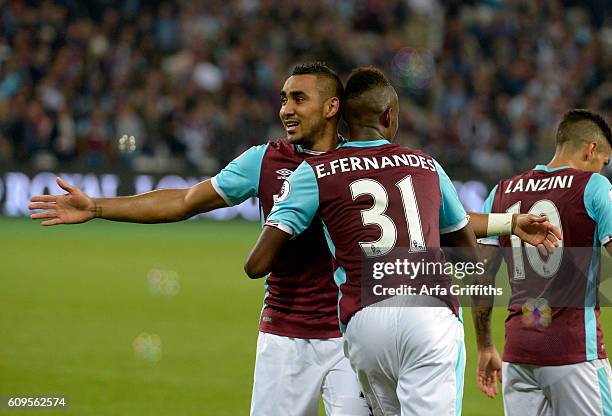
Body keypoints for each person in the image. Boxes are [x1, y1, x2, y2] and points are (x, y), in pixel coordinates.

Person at [31, 62, 558, 416]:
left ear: (332, 107)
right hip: (284, 337)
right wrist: (99, 207)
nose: (286, 108)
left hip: (352, 338)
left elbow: (426, 219)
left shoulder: (353, 165)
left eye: (299, 99)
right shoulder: (264, 160)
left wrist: (510, 223)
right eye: (283, 98)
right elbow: (187, 200)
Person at [243, 66, 561, 415]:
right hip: (430, 315)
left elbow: (256, 265)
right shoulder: (426, 165)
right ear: (389, 115)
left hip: (364, 322)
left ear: (343, 117)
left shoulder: (316, 172)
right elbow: (471, 260)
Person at [475, 109, 612, 415]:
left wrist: (485, 345)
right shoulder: (593, 186)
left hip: (518, 355)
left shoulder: (501, 192)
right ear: (591, 149)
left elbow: (481, 276)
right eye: (605, 162)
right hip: (575, 355)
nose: (603, 170)